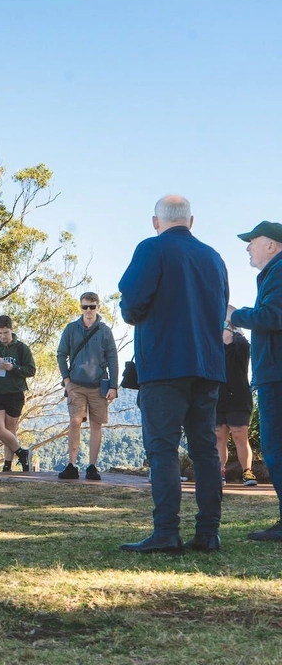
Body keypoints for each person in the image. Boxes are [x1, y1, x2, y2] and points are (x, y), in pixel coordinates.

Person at [119, 195, 227, 553]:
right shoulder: (214, 258)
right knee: (205, 450)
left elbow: (132, 304)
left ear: (156, 221)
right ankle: (208, 533)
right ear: (191, 221)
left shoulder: (152, 248)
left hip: (165, 364)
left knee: (162, 449)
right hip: (209, 365)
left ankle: (166, 532)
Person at [227, 220, 282, 541]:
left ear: (272, 246)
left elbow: (273, 316)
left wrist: (235, 314)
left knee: (276, 449)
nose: (248, 247)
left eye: (252, 241)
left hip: (276, 375)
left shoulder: (278, 272)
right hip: (274, 373)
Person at [55, 292, 119, 481]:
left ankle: (92, 466)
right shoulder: (71, 329)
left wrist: (114, 385)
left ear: (98, 307)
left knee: (96, 424)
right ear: (80, 307)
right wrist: (66, 380)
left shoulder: (105, 331)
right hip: (75, 383)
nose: (89, 310)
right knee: (75, 421)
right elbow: (61, 354)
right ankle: (72, 465)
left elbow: (113, 358)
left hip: (99, 384)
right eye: (85, 307)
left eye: (92, 306)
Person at [0, 315, 36, 473]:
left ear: (11, 330)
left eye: (5, 332)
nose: (3, 336)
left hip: (15, 392)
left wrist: (12, 368)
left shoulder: (21, 348)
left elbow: (31, 370)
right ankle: (22, 453)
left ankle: (7, 465)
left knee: (10, 430)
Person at [216, 326, 256, 486]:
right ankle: (219, 472)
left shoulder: (240, 347)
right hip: (217, 398)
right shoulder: (214, 348)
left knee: (240, 435)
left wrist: (236, 330)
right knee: (219, 437)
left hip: (239, 398)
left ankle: (247, 471)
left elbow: (245, 344)